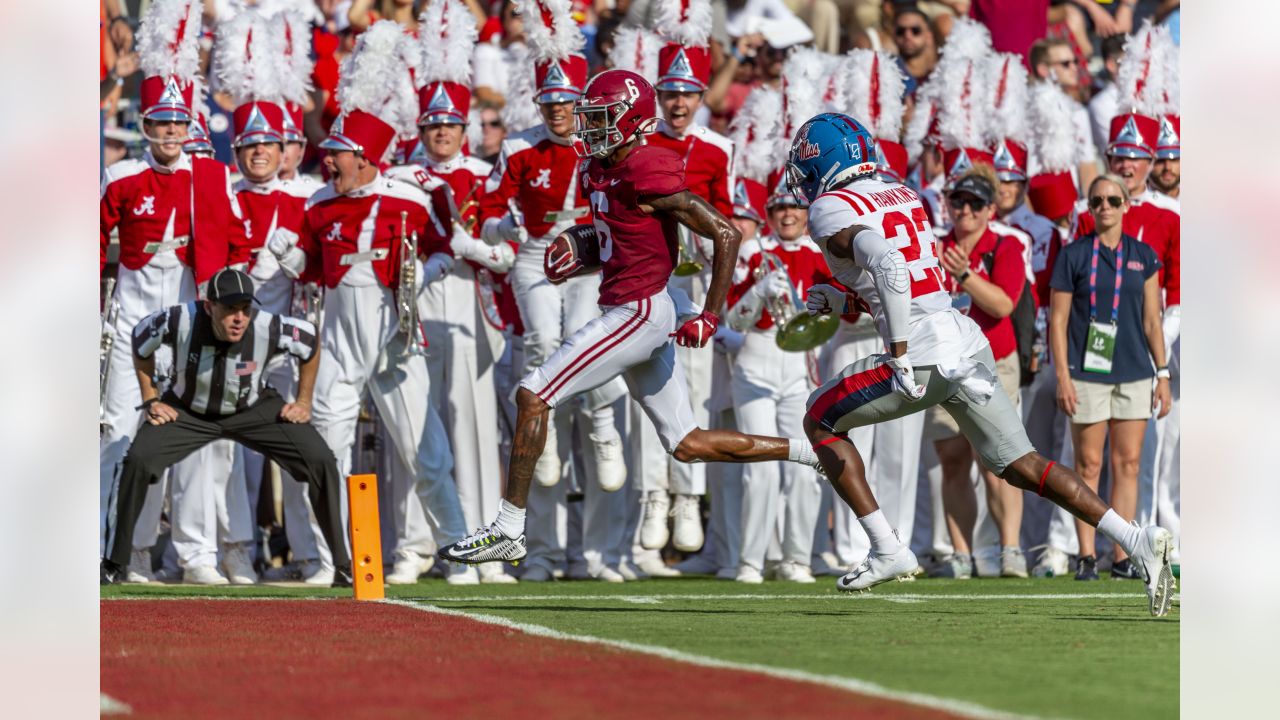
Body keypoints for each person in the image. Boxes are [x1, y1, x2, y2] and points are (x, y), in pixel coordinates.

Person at [789, 112, 1174, 617]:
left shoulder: (830, 208)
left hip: (923, 351)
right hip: (962, 340)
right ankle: (1135, 536)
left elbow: (886, 267)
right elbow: (906, 286)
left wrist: (900, 355)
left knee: (819, 419)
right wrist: (841, 303)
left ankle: (886, 547)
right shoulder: (901, 194)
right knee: (1023, 464)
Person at [437, 69, 825, 567]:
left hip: (640, 310)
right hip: (631, 304)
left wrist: (709, 313)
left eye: (601, 118)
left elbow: (725, 233)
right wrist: (583, 255)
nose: (589, 128)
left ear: (632, 121)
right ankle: (807, 450)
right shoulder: (600, 168)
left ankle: (509, 529)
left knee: (533, 392)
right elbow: (623, 242)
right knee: (687, 444)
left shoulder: (646, 167)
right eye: (589, 118)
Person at [267, 20, 472, 583]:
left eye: (338, 155)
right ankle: (335, 557)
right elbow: (310, 268)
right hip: (336, 339)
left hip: (396, 334)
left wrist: (420, 277)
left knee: (423, 449)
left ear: (366, 157)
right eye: (328, 153)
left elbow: (445, 251)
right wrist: (287, 257)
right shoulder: (318, 205)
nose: (327, 162)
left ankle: (454, 548)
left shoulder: (410, 199)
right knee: (324, 447)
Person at [477, 1, 630, 583]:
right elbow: (491, 206)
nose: (560, 113)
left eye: (568, 103)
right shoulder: (519, 147)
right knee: (542, 343)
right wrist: (500, 228)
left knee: (593, 345)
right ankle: (552, 447)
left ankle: (601, 427)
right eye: (550, 104)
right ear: (537, 106)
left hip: (590, 253)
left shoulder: (600, 141)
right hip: (540, 252)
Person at [99, 0, 244, 584]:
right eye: (159, 123)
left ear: (190, 128)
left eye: (178, 124)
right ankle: (121, 550)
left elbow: (235, 242)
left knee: (195, 432)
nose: (169, 133)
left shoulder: (210, 176)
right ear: (145, 128)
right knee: (120, 429)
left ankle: (196, 554)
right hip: (133, 307)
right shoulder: (120, 177)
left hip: (189, 314)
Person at [100, 269, 351, 588]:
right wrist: (151, 399)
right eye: (230, 308)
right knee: (136, 460)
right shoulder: (181, 319)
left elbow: (311, 343)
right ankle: (113, 563)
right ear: (209, 306)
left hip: (253, 409)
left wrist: (303, 401)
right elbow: (139, 338)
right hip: (188, 411)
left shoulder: (267, 326)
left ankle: (343, 565)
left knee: (321, 461)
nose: (239, 318)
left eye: (245, 309)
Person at [384, 0, 519, 585]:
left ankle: (486, 542)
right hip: (415, 305)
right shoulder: (401, 178)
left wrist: (466, 249)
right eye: (433, 126)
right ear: (421, 130)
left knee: (473, 423)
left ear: (466, 129)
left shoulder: (483, 175)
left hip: (469, 304)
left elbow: (505, 249)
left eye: (451, 126)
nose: (442, 133)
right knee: (415, 427)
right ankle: (416, 545)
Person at [638, 0, 738, 555]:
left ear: (703, 98)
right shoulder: (640, 141)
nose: (678, 103)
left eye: (689, 93)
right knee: (650, 385)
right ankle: (654, 494)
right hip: (649, 278)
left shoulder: (719, 149)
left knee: (692, 393)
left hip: (694, 282)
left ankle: (686, 498)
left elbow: (732, 219)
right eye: (670, 93)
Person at [1049, 175, 1171, 580]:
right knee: (1087, 464)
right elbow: (1059, 322)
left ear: (1126, 205)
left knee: (1130, 464)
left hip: (1135, 370)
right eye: (1097, 200)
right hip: (1086, 373)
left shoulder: (1145, 255)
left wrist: (1164, 373)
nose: (1105, 207)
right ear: (1089, 206)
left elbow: (1153, 321)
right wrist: (1063, 377)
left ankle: (1122, 556)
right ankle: (1086, 554)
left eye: (1113, 200)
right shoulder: (1073, 255)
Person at [724, 173, 831, 583]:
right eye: (779, 208)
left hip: (802, 363)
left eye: (794, 207)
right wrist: (758, 290)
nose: (787, 214)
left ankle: (797, 558)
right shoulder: (754, 253)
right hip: (757, 358)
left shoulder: (821, 253)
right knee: (760, 468)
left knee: (804, 467)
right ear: (767, 214)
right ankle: (751, 561)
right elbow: (734, 319)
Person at [930, 167, 1033, 578]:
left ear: (992, 208)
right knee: (952, 459)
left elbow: (1003, 305)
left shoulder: (1006, 245)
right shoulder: (934, 246)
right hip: (943, 361)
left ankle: (1010, 550)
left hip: (992, 362)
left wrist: (964, 275)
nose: (966, 210)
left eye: (975, 203)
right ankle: (960, 555)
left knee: (1000, 460)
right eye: (959, 201)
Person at [1029, 37, 1097, 192]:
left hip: (1071, 203)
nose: (1074, 68)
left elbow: (1087, 165)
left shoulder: (1079, 112)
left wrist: (1088, 209)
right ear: (1043, 70)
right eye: (1066, 64)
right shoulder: (1026, 112)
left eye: (1075, 62)